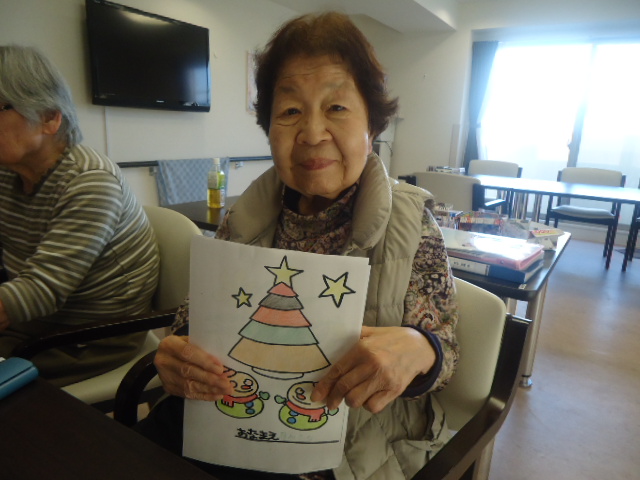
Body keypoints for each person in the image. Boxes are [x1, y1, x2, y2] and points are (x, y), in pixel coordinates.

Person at [135, 12, 459, 480]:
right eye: (289, 111)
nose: (311, 133)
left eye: (337, 108)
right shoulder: (243, 219)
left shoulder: (412, 223)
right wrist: (176, 354)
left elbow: (446, 352)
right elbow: (192, 324)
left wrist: (420, 349)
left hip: (348, 452)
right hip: (229, 429)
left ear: (372, 126)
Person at [0, 45, 160, 387]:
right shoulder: (7, 172)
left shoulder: (89, 179)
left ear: (49, 118)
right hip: (36, 322)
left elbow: (42, 289)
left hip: (90, 337)